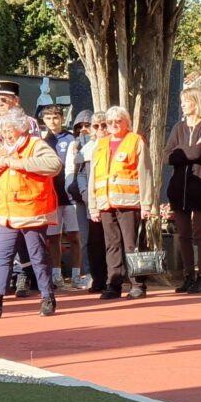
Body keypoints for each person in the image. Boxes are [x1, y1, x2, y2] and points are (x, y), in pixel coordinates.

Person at [0, 108, 62, 317]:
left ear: (21, 128)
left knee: (38, 257)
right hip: (7, 213)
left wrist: (19, 163)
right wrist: (3, 161)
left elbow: (54, 165)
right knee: (4, 257)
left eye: (9, 129)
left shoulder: (35, 145)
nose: (6, 133)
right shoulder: (1, 149)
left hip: (32, 211)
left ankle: (47, 297)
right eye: (3, 130)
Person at [89, 106, 156, 300]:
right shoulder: (100, 145)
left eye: (118, 121)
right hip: (105, 203)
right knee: (112, 245)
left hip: (130, 202)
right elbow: (94, 176)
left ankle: (138, 284)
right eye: (110, 122)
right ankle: (114, 283)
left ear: (126, 122)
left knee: (131, 245)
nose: (114, 125)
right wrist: (93, 205)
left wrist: (146, 204)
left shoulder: (135, 141)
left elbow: (145, 173)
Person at [0, 81, 41, 297]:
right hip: (1, 189)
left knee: (27, 237)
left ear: (16, 101)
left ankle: (26, 275)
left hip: (25, 190)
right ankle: (4, 283)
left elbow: (34, 155)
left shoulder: (31, 124)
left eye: (4, 101)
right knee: (2, 237)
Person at [165, 88, 201, 294]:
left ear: (195, 103)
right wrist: (185, 153)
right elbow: (167, 156)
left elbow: (199, 151)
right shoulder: (178, 127)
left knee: (200, 234)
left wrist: (182, 152)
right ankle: (188, 275)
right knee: (184, 234)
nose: (182, 105)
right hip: (179, 188)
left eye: (185, 102)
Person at [41, 105, 83, 289]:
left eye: (56, 117)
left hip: (70, 196)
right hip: (51, 196)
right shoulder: (41, 140)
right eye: (49, 118)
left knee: (74, 237)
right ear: (44, 120)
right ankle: (56, 274)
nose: (53, 121)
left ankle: (76, 274)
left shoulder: (70, 138)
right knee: (54, 238)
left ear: (62, 118)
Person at [71, 111, 109, 293]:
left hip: (109, 200)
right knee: (90, 242)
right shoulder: (86, 147)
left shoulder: (114, 144)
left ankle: (112, 277)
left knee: (110, 242)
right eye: (96, 126)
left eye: (104, 125)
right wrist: (86, 194)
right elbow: (80, 174)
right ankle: (95, 276)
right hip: (89, 202)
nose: (99, 129)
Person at [64, 110, 93, 288]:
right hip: (81, 198)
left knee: (104, 237)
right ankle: (89, 272)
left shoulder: (100, 143)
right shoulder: (74, 145)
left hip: (100, 197)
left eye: (87, 125)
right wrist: (70, 190)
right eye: (79, 126)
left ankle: (108, 272)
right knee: (85, 238)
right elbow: (69, 171)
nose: (83, 129)